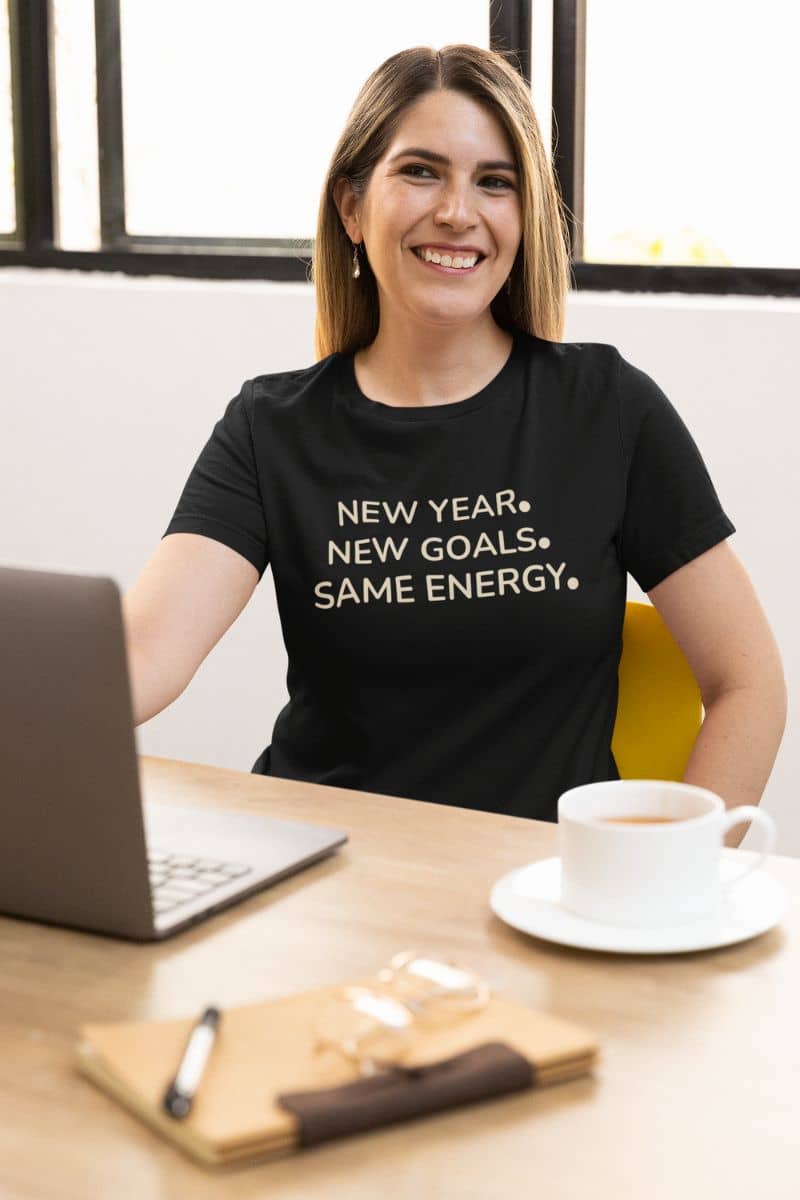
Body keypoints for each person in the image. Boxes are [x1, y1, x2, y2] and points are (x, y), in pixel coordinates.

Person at [123, 44, 786, 843]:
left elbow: (749, 682)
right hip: (323, 881)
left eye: (494, 182)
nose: (458, 212)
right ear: (351, 207)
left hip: (540, 893)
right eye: (421, 172)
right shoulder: (272, 427)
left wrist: (680, 875)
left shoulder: (607, 409)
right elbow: (140, 659)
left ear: (523, 215)